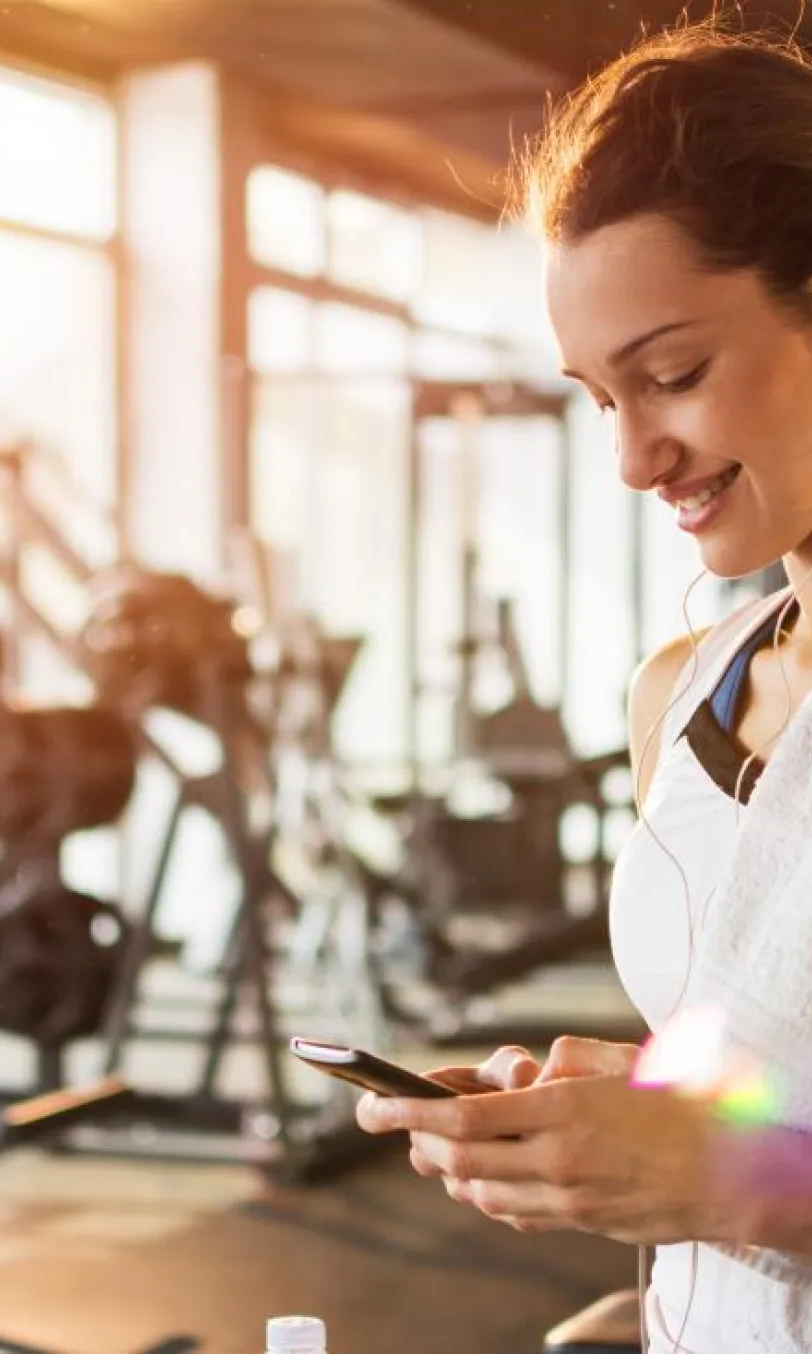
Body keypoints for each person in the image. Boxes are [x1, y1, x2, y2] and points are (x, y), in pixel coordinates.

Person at [355, 18, 812, 1354]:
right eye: (598, 398)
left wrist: (745, 1180)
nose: (632, 459)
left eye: (672, 376)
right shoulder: (682, 692)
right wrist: (606, 1109)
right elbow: (756, 1078)